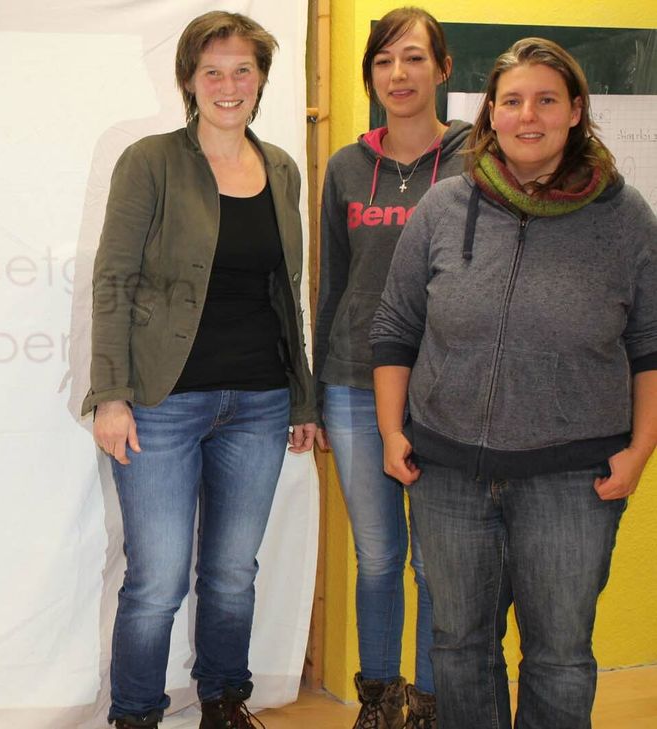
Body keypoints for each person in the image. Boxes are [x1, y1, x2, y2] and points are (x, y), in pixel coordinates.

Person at [371, 37, 657, 729]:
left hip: (571, 478)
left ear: (574, 110)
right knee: (460, 648)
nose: (527, 115)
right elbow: (394, 327)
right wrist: (389, 431)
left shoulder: (625, 219)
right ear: (490, 114)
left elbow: (649, 344)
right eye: (511, 100)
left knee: (558, 655)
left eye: (545, 99)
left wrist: (640, 447)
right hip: (446, 474)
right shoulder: (442, 208)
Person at [81, 11, 316, 729]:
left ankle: (223, 701)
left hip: (258, 401)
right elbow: (113, 277)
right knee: (155, 579)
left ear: (261, 80)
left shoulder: (279, 165)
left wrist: (300, 397)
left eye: (242, 69)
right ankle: (135, 714)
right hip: (160, 400)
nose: (227, 84)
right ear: (187, 79)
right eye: (211, 69)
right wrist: (111, 394)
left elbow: (286, 290)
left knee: (232, 574)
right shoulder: (148, 160)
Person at [313, 8, 468, 728]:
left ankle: (431, 705)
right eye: (382, 62)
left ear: (442, 68)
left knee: (436, 561)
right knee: (377, 554)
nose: (396, 75)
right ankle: (377, 699)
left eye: (412, 59)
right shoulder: (345, 166)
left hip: (445, 389)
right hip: (351, 381)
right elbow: (330, 283)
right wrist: (311, 394)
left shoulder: (477, 159)